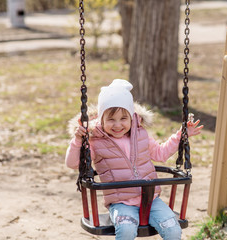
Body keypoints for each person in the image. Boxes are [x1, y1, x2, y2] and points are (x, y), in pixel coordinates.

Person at [66, 79, 203, 240]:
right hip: (121, 202)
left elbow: (161, 154)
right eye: (111, 119)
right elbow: (73, 164)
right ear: (101, 119)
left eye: (123, 118)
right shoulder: (95, 141)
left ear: (132, 117)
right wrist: (77, 141)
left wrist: (181, 135)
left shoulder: (141, 135)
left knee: (173, 229)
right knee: (126, 230)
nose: (117, 125)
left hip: (151, 200)